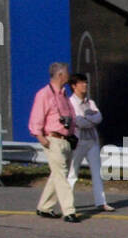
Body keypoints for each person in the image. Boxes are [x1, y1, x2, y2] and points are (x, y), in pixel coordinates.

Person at [30, 62, 79, 223]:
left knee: (58, 174)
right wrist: (40, 137)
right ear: (60, 75)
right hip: (53, 139)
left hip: (66, 140)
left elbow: (71, 116)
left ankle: (44, 206)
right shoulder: (44, 94)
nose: (69, 76)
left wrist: (72, 134)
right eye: (67, 73)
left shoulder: (64, 95)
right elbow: (36, 117)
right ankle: (69, 211)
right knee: (61, 175)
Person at [65, 72, 112, 211]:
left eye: (85, 82)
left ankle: (101, 202)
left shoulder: (90, 102)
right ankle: (67, 204)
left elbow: (99, 117)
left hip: (92, 141)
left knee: (97, 172)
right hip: (78, 141)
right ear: (74, 86)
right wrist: (89, 120)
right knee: (73, 173)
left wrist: (88, 120)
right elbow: (78, 121)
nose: (85, 85)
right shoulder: (70, 102)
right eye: (81, 83)